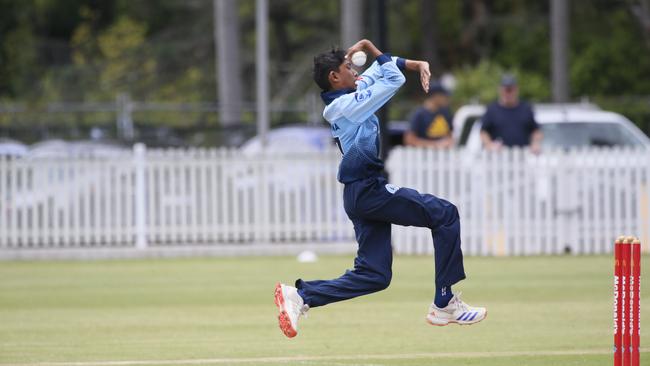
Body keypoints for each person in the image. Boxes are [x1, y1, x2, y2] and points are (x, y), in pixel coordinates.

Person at [273, 39, 486, 338]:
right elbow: (392, 79)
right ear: (335, 77)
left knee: (375, 275)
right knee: (445, 214)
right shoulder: (344, 106)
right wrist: (372, 48)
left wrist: (416, 64)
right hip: (367, 190)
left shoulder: (352, 91)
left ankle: (302, 296)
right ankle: (444, 303)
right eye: (348, 67)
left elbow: (384, 69)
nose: (354, 70)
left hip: (360, 192)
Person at [480, 74, 543, 153]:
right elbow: (483, 132)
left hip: (522, 155)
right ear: (500, 90)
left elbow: (536, 130)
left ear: (516, 90)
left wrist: (535, 143)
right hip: (498, 157)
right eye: (506, 90)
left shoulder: (526, 108)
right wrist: (489, 144)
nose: (508, 93)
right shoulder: (492, 109)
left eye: (510, 90)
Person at [403, 83, 454, 148]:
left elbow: (450, 135)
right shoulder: (419, 114)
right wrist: (435, 145)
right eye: (444, 96)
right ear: (435, 96)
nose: (447, 99)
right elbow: (409, 140)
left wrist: (449, 141)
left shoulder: (446, 112)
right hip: (423, 155)